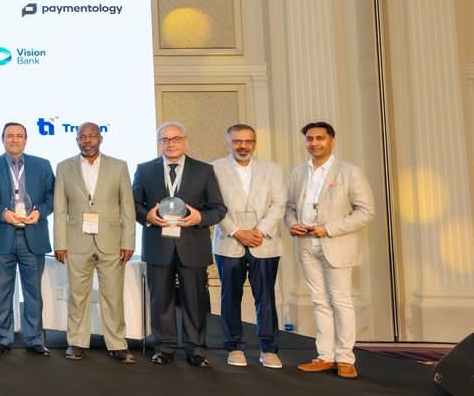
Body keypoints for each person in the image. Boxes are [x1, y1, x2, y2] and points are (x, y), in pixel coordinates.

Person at [286, 121, 375, 380]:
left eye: (319, 138)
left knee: (340, 300)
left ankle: (345, 358)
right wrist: (292, 224)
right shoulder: (298, 172)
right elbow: (290, 207)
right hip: (306, 245)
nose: (314, 143)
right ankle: (325, 356)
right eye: (310, 139)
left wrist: (329, 229)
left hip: (336, 244)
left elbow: (366, 212)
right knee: (319, 301)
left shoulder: (349, 172)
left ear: (332, 141)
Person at [134, 122, 226, 367]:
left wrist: (200, 218)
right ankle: (164, 347)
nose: (171, 143)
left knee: (194, 300)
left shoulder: (204, 170)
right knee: (160, 299)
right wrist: (147, 216)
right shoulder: (145, 170)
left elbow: (218, 208)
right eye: (165, 139)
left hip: (192, 244)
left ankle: (195, 348)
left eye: (176, 139)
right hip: (158, 243)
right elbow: (133, 205)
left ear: (185, 141)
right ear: (159, 143)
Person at [53, 123, 136, 363]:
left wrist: (128, 241)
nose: (87, 141)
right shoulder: (64, 167)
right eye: (82, 137)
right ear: (76, 140)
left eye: (92, 136)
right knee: (78, 296)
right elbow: (60, 209)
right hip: (76, 241)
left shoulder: (119, 166)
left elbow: (127, 207)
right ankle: (76, 342)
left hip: (111, 242)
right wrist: (60, 243)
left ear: (101, 138)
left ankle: (117, 344)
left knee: (113, 296)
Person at [211, 124, 287, 368]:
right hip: (229, 242)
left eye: (248, 141)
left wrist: (259, 231)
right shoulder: (214, 169)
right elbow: (213, 204)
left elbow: (279, 204)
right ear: (228, 143)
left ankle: (268, 349)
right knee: (230, 297)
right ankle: (234, 347)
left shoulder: (272, 169)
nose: (243, 146)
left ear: (254, 143)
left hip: (264, 243)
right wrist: (236, 231)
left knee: (265, 298)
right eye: (237, 141)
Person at [0, 122, 56, 356]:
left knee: (33, 293)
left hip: (33, 236)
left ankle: (34, 339)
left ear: (26, 140)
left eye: (19, 136)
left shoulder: (42, 165)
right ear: (2, 139)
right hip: (2, 236)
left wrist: (40, 212)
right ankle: (2, 338)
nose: (14, 140)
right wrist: (2, 213)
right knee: (1, 293)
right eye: (10, 136)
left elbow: (52, 196)